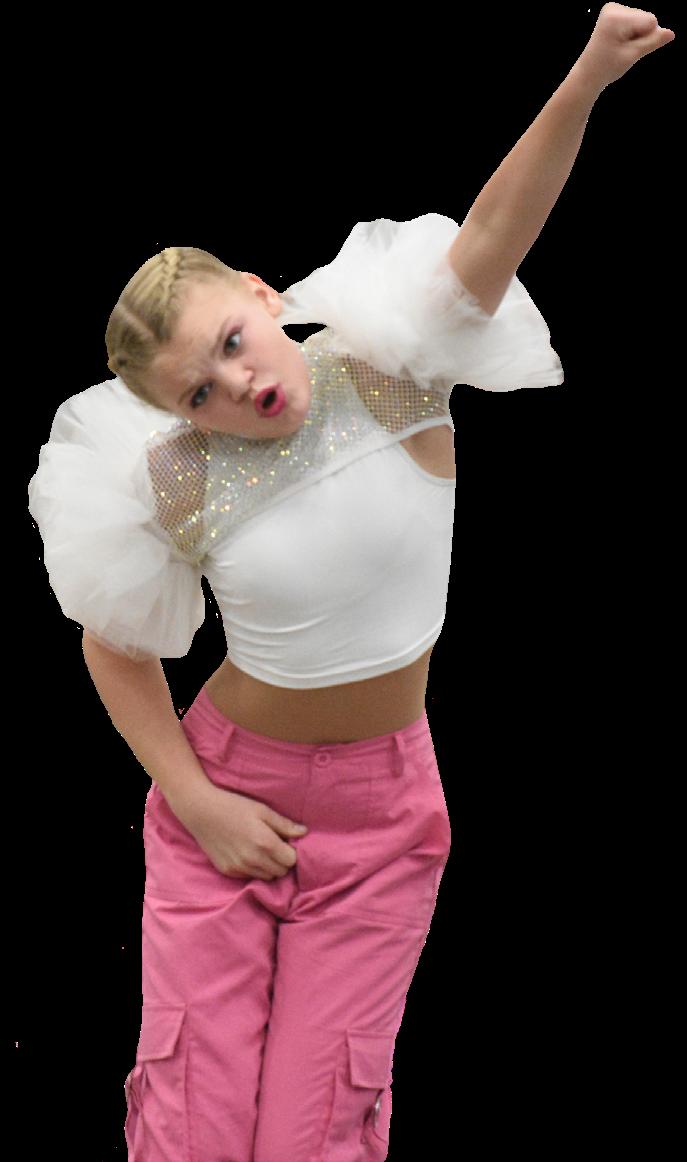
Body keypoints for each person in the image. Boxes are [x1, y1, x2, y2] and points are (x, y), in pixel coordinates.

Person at [26, 8, 674, 1159]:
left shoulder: (389, 364)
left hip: (379, 814)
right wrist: (196, 799)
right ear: (176, 414)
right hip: (229, 784)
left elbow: (497, 226)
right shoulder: (175, 479)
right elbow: (113, 646)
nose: (235, 384)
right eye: (197, 391)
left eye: (233, 341)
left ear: (264, 294)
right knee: (192, 1123)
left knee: (316, 1127)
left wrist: (585, 78)